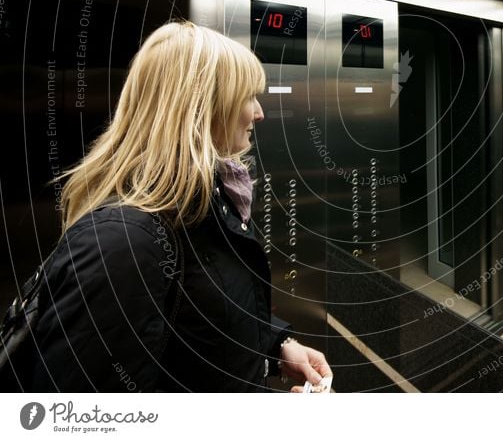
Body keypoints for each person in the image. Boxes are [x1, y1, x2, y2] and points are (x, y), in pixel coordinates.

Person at [28, 21, 332, 391]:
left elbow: (206, 320)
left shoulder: (210, 202)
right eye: (248, 97)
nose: (258, 113)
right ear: (204, 106)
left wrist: (278, 345)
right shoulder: (122, 243)